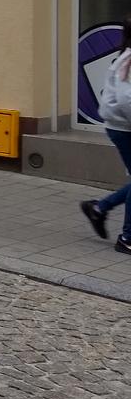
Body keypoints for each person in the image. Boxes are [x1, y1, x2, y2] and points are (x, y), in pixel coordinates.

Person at [80, 16, 131, 254]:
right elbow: (126, 100)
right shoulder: (128, 60)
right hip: (124, 128)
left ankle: (100, 208)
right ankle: (127, 237)